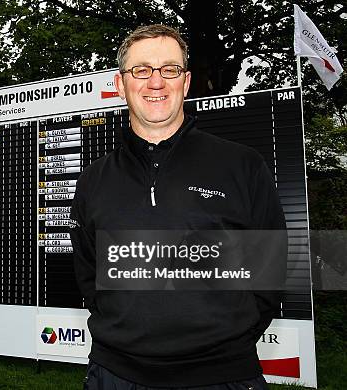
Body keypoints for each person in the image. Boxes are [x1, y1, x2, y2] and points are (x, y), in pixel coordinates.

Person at [69, 24, 286, 389]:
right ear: (120, 85)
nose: (156, 82)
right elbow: (90, 278)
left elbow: (269, 271)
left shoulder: (243, 165)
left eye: (169, 69)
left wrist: (229, 338)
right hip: (115, 375)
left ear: (185, 83)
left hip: (223, 377)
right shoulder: (93, 180)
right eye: (141, 70)